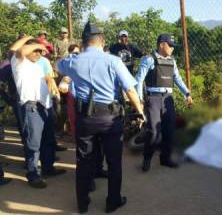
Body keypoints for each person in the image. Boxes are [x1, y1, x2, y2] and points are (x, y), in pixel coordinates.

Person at [57, 21, 145, 214]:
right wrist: (139, 111)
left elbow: (58, 66)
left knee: (84, 160)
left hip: (84, 118)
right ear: (102, 41)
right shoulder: (113, 61)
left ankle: (82, 203)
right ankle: (112, 201)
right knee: (114, 161)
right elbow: (129, 89)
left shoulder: (72, 61)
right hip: (109, 117)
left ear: (83, 42)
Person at [10, 36, 66, 189]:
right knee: (33, 144)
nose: (39, 53)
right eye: (36, 51)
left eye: (41, 52)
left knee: (48, 140)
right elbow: (17, 50)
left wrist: (53, 88)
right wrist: (31, 40)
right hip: (31, 107)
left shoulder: (37, 66)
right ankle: (33, 174)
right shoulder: (19, 62)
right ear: (27, 50)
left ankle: (48, 168)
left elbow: (46, 80)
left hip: (44, 107)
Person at [135, 34, 193, 172]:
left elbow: (177, 79)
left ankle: (165, 158)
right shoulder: (149, 60)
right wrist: (139, 99)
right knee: (154, 131)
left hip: (168, 98)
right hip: (153, 98)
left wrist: (187, 93)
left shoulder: (172, 61)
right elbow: (139, 80)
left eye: (173, 46)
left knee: (169, 129)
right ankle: (147, 158)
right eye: (170, 45)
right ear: (161, 45)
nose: (172, 49)